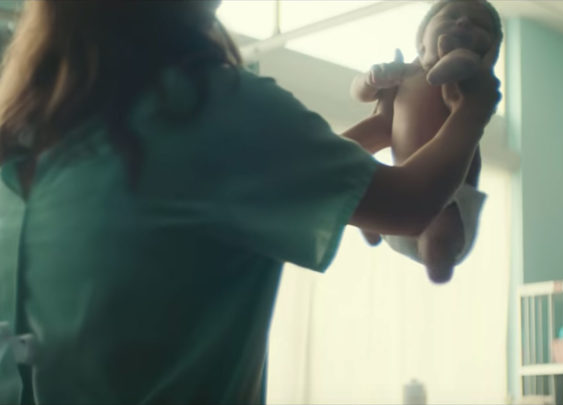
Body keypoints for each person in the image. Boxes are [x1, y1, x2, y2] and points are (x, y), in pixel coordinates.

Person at [0, 1, 499, 404]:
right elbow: (409, 205)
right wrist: (473, 109)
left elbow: (280, 172)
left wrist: (379, 128)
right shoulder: (211, 108)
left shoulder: (34, 122)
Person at [345, 0, 503, 283]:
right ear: (421, 38)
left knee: (437, 248)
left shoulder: (468, 80)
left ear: (492, 51)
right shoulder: (404, 74)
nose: (463, 23)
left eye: (480, 26)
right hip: (397, 191)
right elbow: (360, 92)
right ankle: (371, 228)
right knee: (360, 182)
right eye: (451, 17)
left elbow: (463, 69)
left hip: (449, 195)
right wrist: (372, 79)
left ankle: (438, 265)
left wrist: (463, 63)